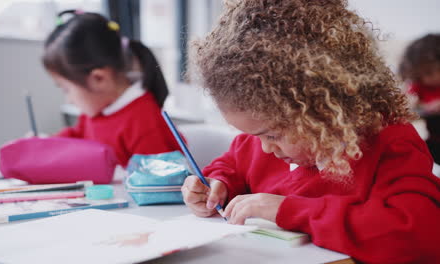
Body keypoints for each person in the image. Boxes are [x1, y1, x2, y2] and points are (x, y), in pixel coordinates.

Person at [181, 1, 440, 263]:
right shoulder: (259, 143)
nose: (264, 148)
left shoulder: (390, 142)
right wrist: (216, 185)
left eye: (272, 135)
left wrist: (289, 210)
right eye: (254, 135)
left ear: (320, 110)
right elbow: (232, 165)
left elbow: (417, 236)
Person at [42, 10, 182, 166]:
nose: (68, 99)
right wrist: (43, 143)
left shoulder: (144, 122)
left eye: (66, 89)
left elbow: (162, 180)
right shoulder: (96, 110)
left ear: (99, 79)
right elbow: (77, 138)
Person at [399, 33, 440, 165]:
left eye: (429, 72)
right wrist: (412, 102)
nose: (425, 79)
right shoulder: (420, 85)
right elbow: (408, 98)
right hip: (435, 141)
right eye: (419, 75)